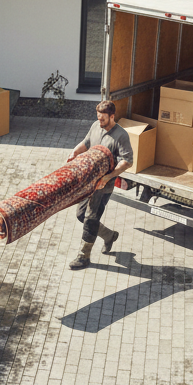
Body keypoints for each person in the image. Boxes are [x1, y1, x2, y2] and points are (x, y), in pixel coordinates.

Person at [65, 100, 134, 270]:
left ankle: (83, 256)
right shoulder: (96, 125)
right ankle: (109, 236)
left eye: (103, 119)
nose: (100, 121)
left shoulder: (121, 135)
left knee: (91, 219)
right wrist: (75, 152)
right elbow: (86, 142)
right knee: (81, 215)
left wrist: (108, 177)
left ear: (112, 116)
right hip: (89, 181)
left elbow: (127, 161)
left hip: (103, 185)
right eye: (98, 118)